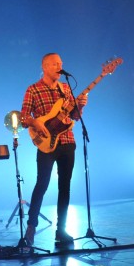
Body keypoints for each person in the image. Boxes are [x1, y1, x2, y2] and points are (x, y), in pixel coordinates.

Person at [20, 53, 88, 246]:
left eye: (61, 63)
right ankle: (31, 227)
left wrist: (80, 108)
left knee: (64, 187)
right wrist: (35, 122)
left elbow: (73, 117)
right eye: (56, 64)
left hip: (67, 140)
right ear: (45, 67)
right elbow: (24, 117)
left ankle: (61, 230)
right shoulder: (33, 89)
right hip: (45, 143)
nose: (60, 67)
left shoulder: (66, 88)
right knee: (42, 184)